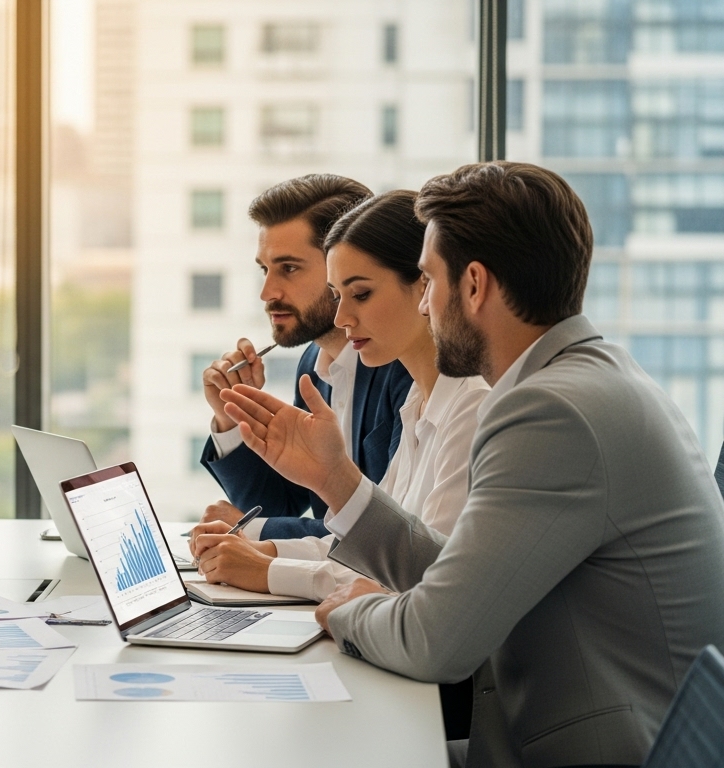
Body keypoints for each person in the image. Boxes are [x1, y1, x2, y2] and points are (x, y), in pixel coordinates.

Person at [219, 162, 724, 767]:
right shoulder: (588, 378)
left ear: (475, 285)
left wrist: (347, 611)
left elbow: (436, 641)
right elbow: (456, 573)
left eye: (429, 280)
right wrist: (334, 480)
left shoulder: (552, 411)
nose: (425, 304)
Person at [190, 190, 488, 602]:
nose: (342, 315)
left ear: (424, 284)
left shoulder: (456, 399)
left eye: (359, 293)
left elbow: (421, 575)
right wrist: (233, 419)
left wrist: (268, 563)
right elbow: (376, 547)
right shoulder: (411, 404)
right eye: (337, 293)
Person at [199, 174, 412, 540]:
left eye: (289, 268)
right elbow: (282, 504)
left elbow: (392, 533)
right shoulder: (313, 364)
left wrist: (253, 531)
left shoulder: (403, 365)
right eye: (265, 269)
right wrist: (231, 418)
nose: (267, 292)